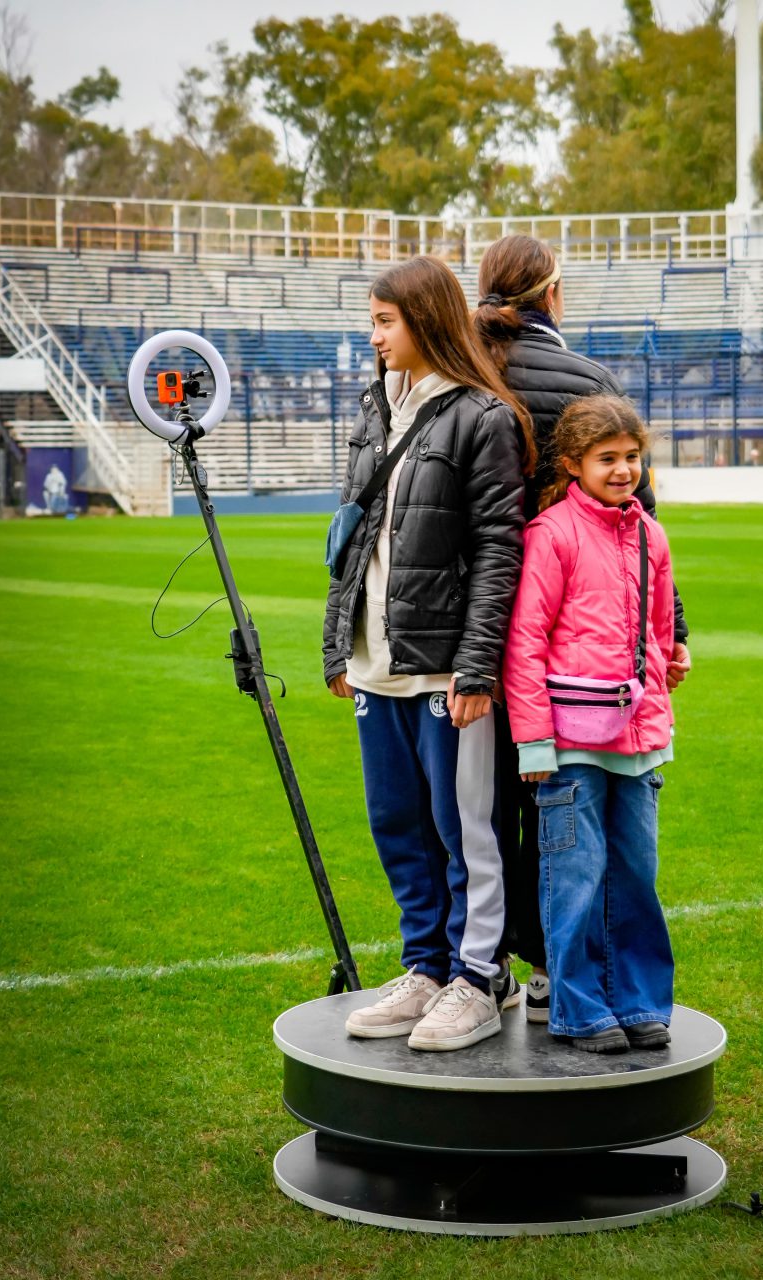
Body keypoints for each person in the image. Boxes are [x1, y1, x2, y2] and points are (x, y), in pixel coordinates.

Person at [473, 233, 690, 1022]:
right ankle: (551, 977)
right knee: (563, 821)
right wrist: (675, 633)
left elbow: (639, 531)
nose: (621, 467)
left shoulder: (467, 369)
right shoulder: (590, 380)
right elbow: (642, 523)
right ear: (554, 294)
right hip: (568, 637)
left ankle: (477, 969)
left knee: (484, 811)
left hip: (474, 628)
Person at [323, 255, 532, 1052]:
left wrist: (476, 667)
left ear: (427, 320)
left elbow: (498, 551)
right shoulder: (375, 405)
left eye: (385, 322)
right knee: (397, 822)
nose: (373, 336)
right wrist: (339, 644)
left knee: (463, 829)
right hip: (377, 661)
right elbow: (354, 533)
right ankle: (427, 967)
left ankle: (480, 978)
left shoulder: (483, 417)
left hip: (447, 670)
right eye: (372, 321)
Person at [502, 395, 675, 1053]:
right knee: (575, 878)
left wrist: (663, 684)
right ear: (574, 463)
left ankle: (638, 1001)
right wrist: (533, 740)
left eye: (632, 457)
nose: (624, 469)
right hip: (570, 744)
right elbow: (525, 641)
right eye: (608, 458)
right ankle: (578, 1008)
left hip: (640, 740)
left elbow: (659, 632)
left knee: (636, 877)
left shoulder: (651, 535)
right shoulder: (550, 534)